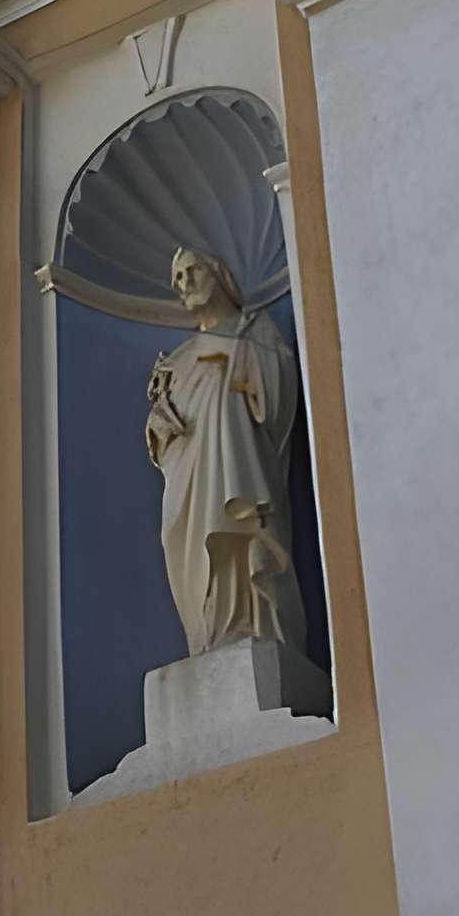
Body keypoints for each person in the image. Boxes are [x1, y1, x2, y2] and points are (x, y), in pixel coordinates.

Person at [142, 247, 302, 656]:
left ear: (219, 274)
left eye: (192, 271)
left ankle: (253, 627)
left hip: (241, 470)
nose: (185, 283)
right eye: (177, 278)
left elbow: (275, 404)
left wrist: (233, 385)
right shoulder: (176, 362)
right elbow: (164, 438)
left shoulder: (255, 334)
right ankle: (209, 636)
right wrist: (160, 427)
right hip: (192, 481)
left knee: (239, 544)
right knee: (189, 548)